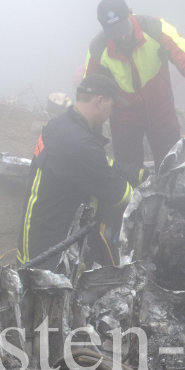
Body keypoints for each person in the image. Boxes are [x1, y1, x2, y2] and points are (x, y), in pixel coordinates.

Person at [18, 74, 139, 270]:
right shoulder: (79, 144)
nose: (112, 112)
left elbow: (101, 163)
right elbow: (123, 196)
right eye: (112, 105)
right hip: (50, 257)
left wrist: (140, 175)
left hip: (35, 241)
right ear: (100, 101)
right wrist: (156, 197)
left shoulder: (60, 126)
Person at [84, 0, 185, 172]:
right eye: (114, 31)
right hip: (123, 115)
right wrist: (92, 128)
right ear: (104, 28)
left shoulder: (156, 29)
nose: (121, 35)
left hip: (161, 108)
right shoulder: (98, 47)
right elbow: (89, 91)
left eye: (123, 28)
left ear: (130, 13)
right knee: (128, 171)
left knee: (171, 167)